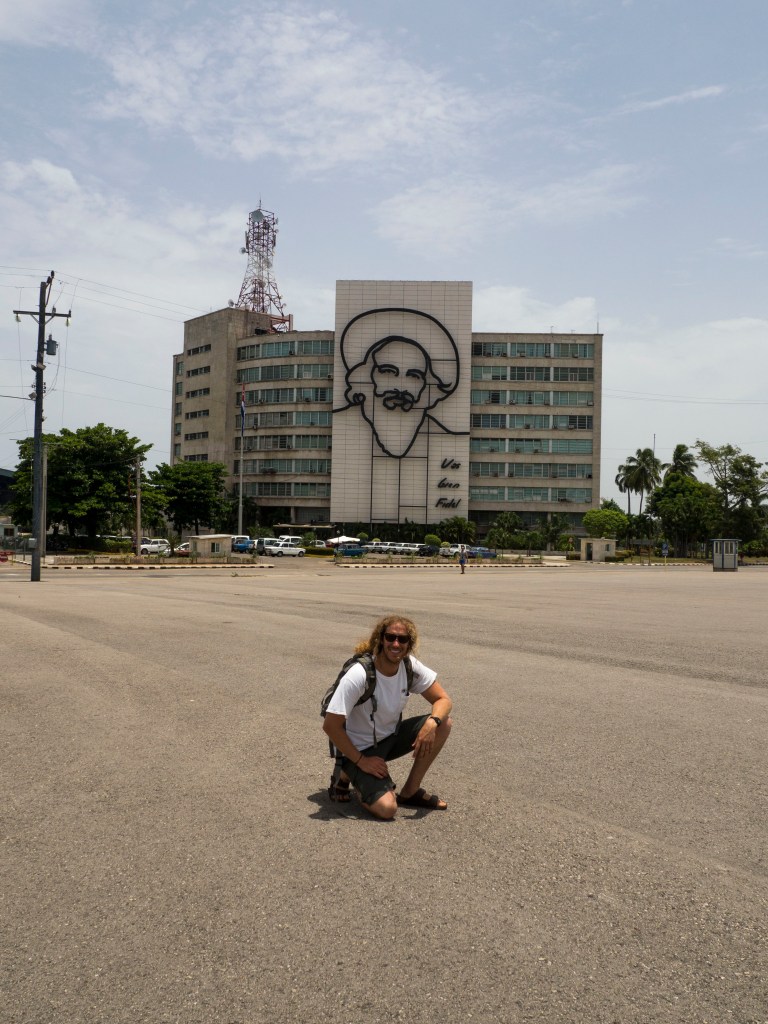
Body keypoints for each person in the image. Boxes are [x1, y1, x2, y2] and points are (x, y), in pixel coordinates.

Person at [322, 614, 453, 819]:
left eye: (402, 639)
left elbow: (443, 699)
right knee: (387, 809)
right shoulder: (360, 674)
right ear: (380, 639)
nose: (395, 643)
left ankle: (410, 791)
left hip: (388, 738)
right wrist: (362, 761)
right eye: (390, 637)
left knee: (443, 723)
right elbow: (331, 725)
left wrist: (432, 722)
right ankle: (349, 771)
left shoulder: (408, 666)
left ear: (409, 644)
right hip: (358, 749)